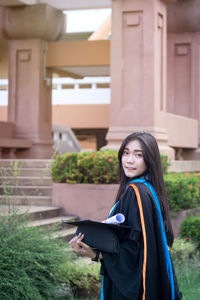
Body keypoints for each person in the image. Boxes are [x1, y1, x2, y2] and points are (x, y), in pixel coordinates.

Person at [69, 132, 182, 300]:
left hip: (134, 290)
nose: (129, 160)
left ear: (149, 159)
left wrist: (96, 255)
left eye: (138, 155)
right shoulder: (149, 189)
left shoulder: (135, 192)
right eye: (126, 153)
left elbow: (134, 251)